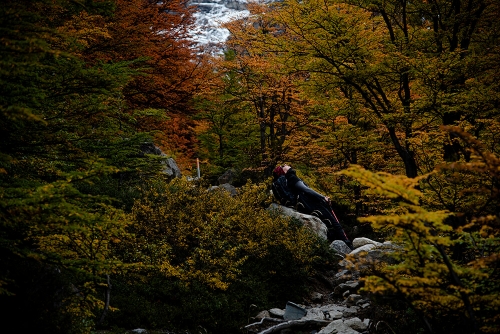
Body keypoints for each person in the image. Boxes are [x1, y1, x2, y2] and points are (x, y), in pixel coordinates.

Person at [273, 164, 353, 249]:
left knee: (328, 224)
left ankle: (336, 245)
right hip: (312, 204)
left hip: (305, 207)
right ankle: (348, 245)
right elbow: (306, 190)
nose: (286, 165)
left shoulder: (283, 182)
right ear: (284, 171)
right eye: (283, 165)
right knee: (335, 223)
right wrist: (323, 198)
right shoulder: (291, 177)